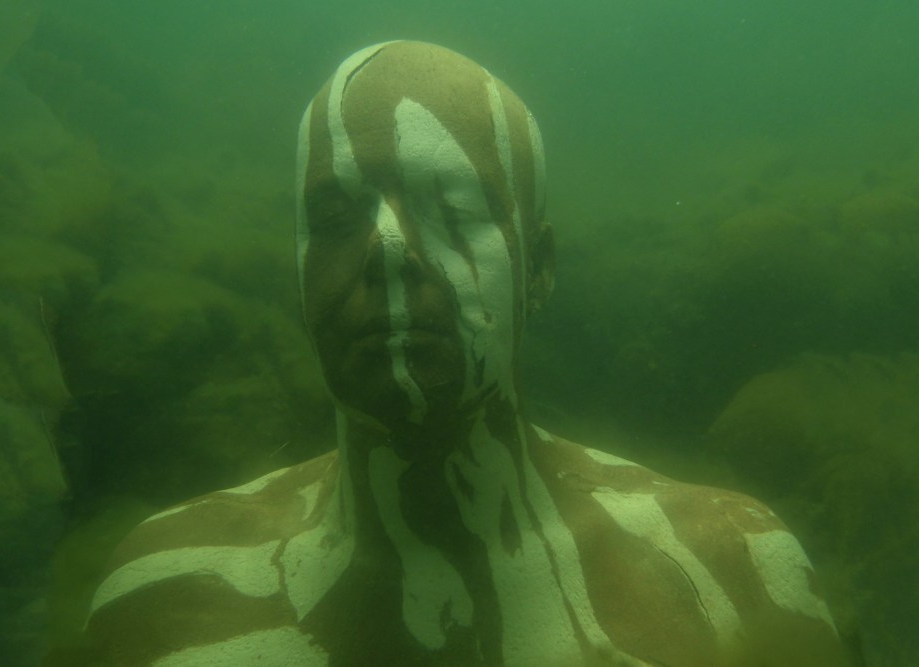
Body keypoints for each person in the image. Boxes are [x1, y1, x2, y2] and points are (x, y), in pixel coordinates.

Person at [60, 41, 849, 666]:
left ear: (539, 270)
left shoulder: (738, 574)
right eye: (334, 215)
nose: (386, 248)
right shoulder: (156, 596)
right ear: (294, 270)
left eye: (452, 206)